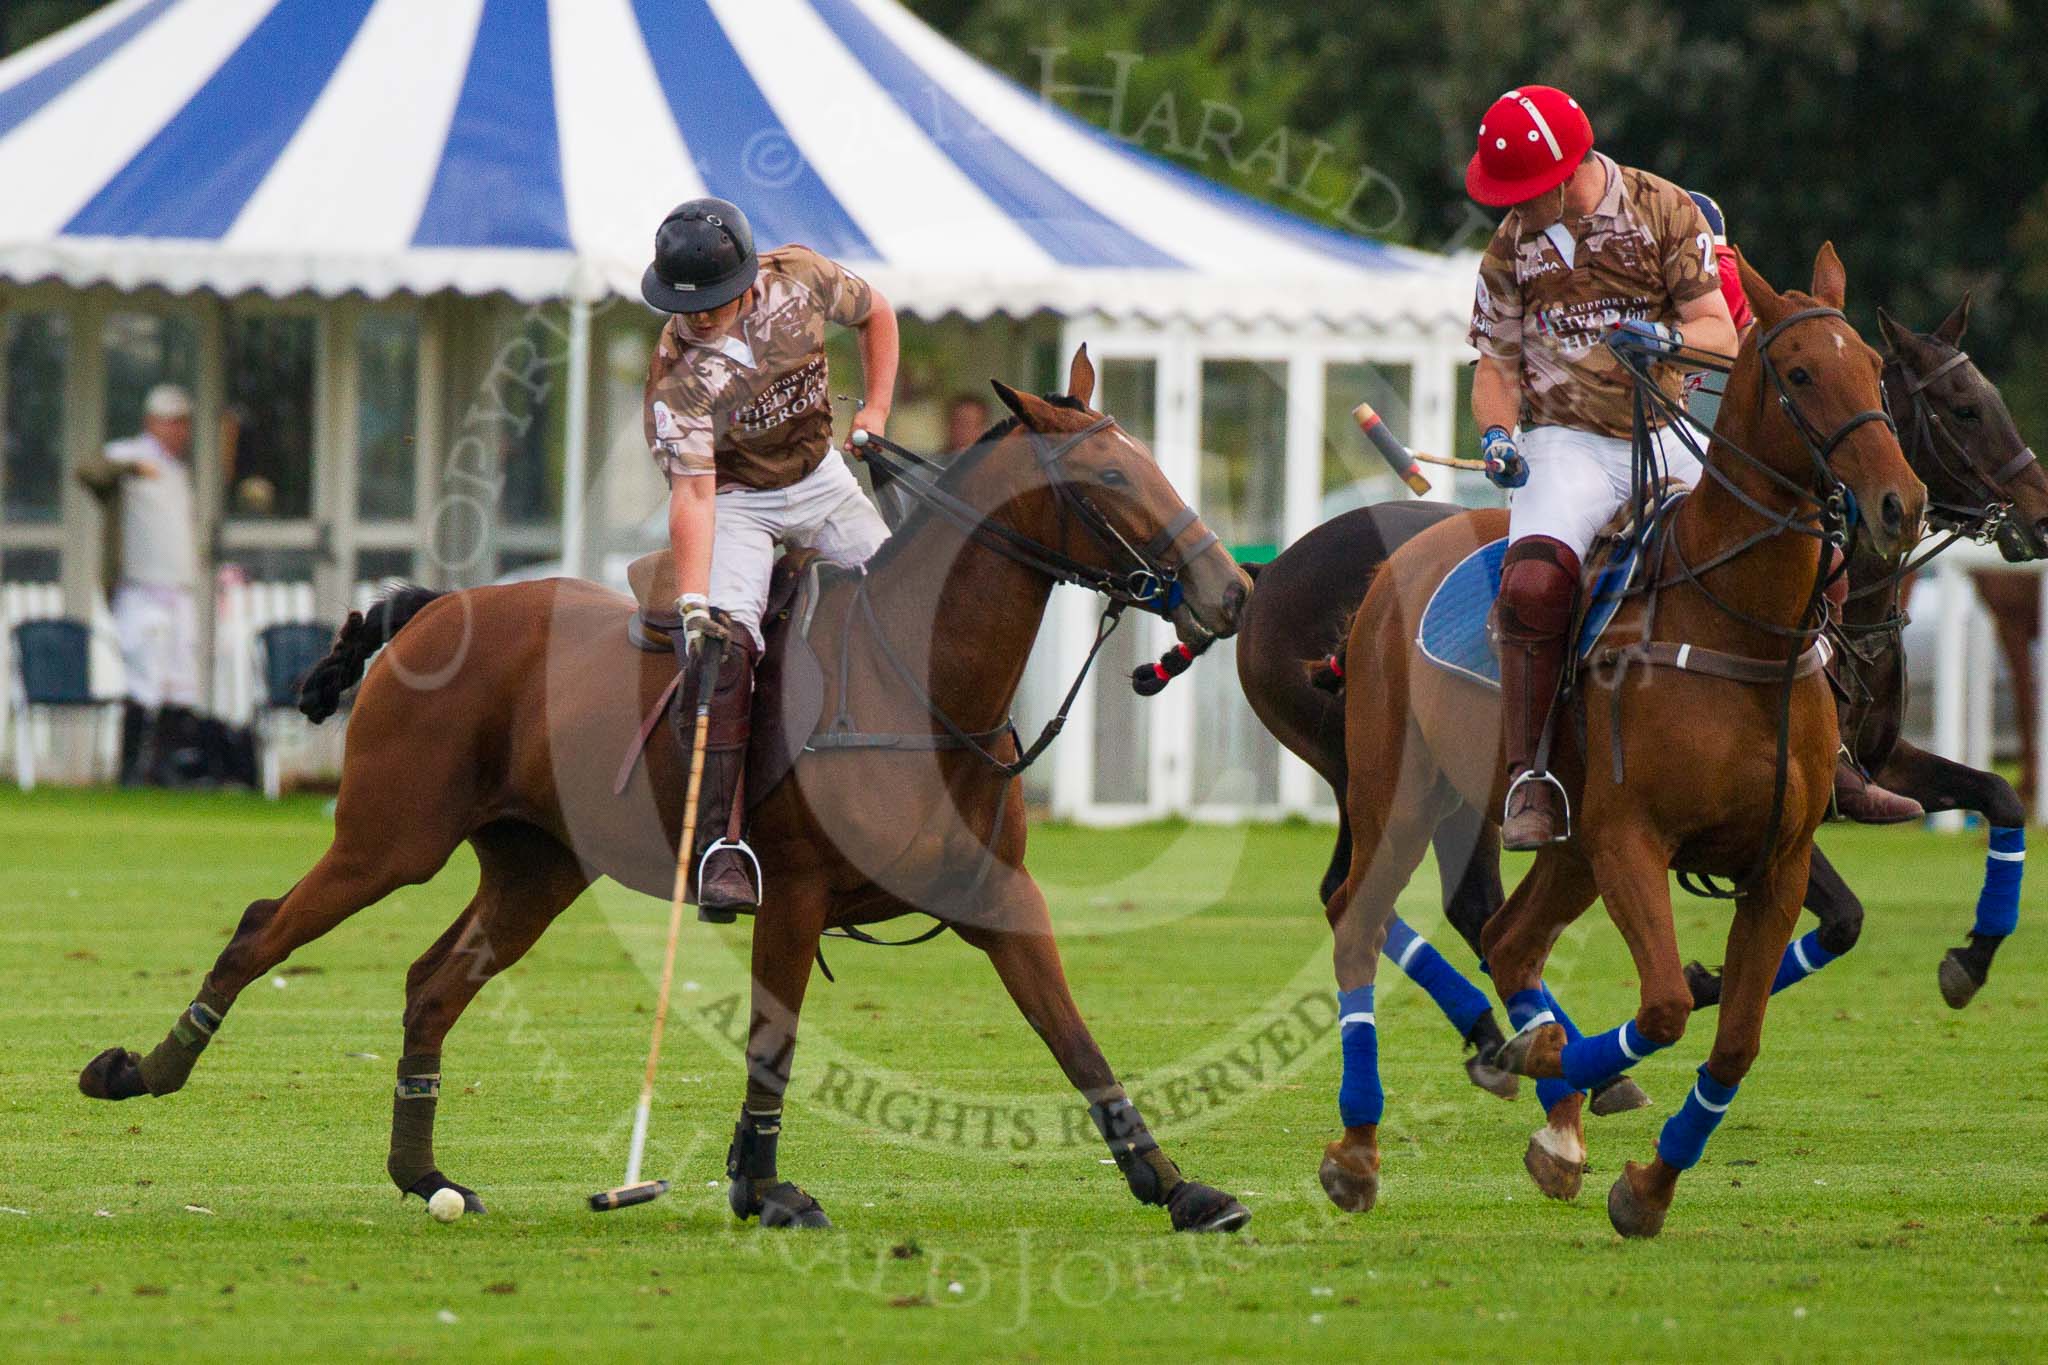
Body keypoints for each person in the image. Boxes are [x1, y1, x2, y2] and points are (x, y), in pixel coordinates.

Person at [1464, 86, 1740, 849]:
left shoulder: (1664, 209)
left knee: (1784, 540)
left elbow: (1721, 331)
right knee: (1533, 582)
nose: (1513, 209)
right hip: (1567, 443)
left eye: (1524, 194)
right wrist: (1496, 432)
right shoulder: (1509, 247)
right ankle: (1531, 776)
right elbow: (1496, 364)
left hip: (1667, 429)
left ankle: (1839, 745)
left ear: (1565, 171)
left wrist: (1662, 342)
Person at [641, 197, 899, 911]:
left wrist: (875, 409)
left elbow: (879, 313)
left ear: (748, 278)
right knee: (724, 655)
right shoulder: (679, 370)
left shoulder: (804, 279)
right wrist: (696, 602)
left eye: (713, 302)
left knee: (903, 607)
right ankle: (724, 846)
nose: (699, 317)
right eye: (686, 304)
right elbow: (693, 495)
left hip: (821, 478)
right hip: (736, 500)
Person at [77, 384, 202, 786]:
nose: (178, 431)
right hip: (139, 589)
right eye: (171, 422)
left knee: (178, 682)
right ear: (152, 423)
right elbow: (88, 472)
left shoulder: (180, 472)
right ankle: (129, 769)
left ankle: (163, 769)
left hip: (178, 590)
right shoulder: (128, 455)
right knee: (143, 679)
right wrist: (131, 469)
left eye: (183, 423)